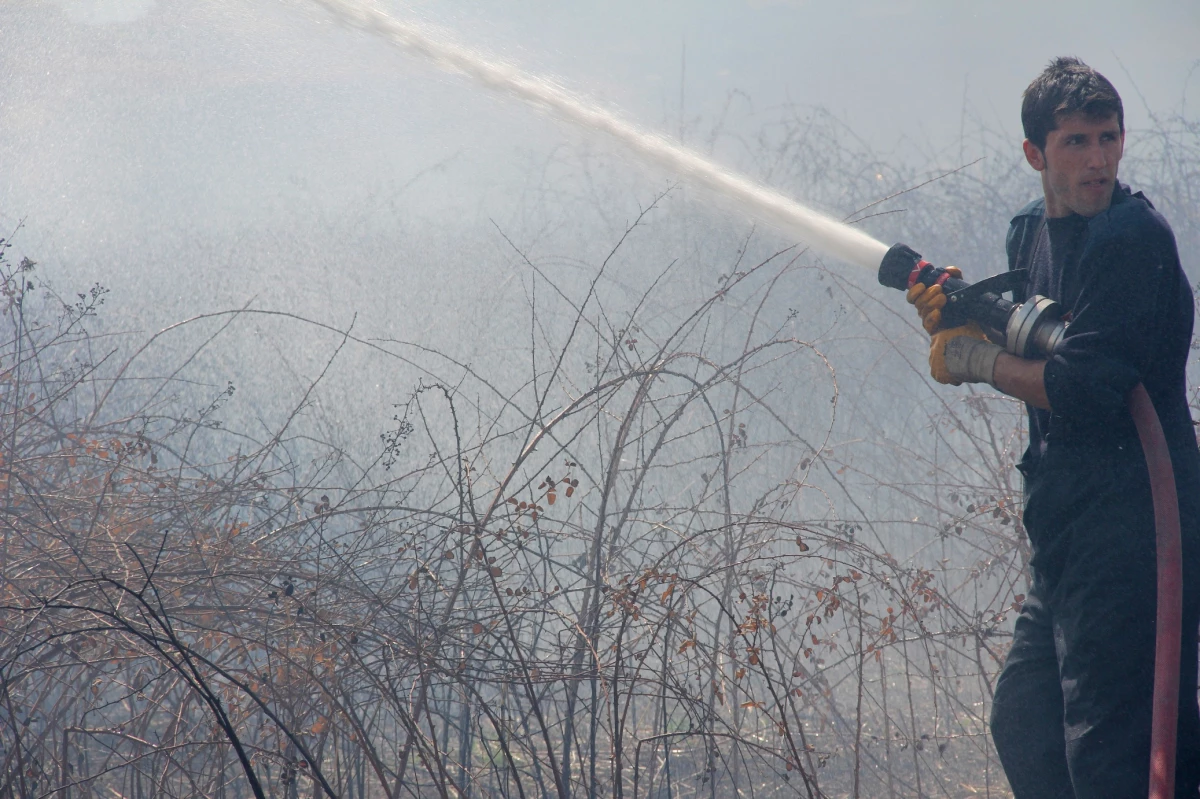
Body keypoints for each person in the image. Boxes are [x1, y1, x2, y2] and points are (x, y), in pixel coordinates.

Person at [908, 57, 1200, 798]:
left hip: (1139, 540)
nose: (1098, 159)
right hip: (1067, 536)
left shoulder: (1131, 240)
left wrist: (974, 359)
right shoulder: (1030, 235)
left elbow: (1083, 385)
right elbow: (1039, 339)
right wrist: (962, 309)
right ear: (1036, 153)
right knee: (1028, 722)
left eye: (1108, 138)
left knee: (1112, 759)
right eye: (1076, 142)